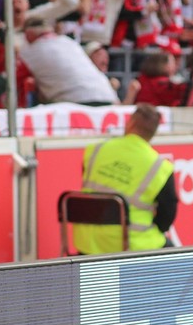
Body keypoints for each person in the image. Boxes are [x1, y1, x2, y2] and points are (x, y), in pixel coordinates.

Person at [74, 103, 177, 254]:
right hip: (130, 245)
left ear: (131, 122)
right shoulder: (160, 166)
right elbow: (167, 217)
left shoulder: (95, 150)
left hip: (88, 243)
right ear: (153, 132)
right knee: (176, 255)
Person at [18, 17, 120, 105]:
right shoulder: (69, 42)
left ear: (28, 34)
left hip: (75, 103)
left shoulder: (28, 52)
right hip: (108, 96)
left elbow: (12, 80)